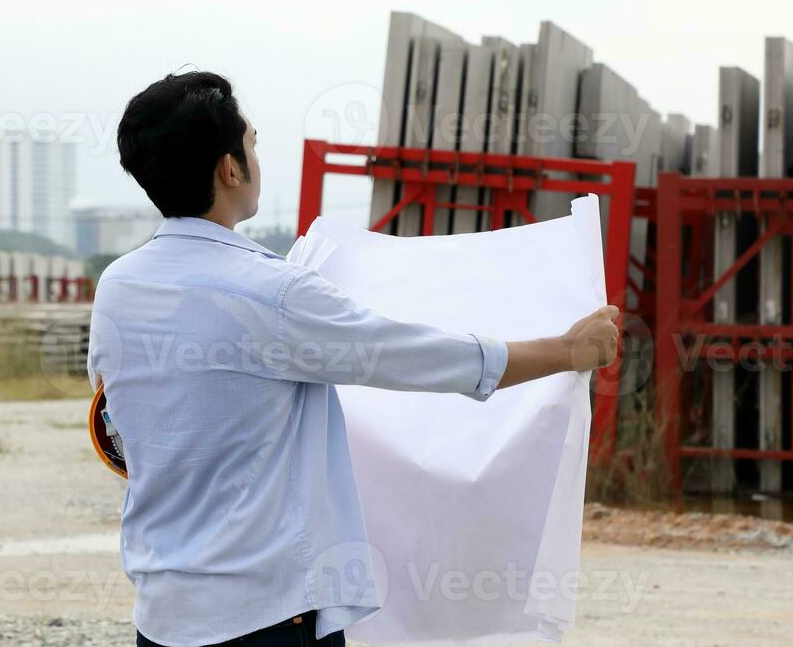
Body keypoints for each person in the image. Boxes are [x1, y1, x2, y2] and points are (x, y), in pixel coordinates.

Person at [88, 71, 619, 647]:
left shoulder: (118, 286)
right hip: (265, 619)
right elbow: (418, 356)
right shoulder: (273, 293)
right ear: (230, 168)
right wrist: (567, 351)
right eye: (253, 142)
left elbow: (118, 424)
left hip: (162, 616)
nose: (257, 157)